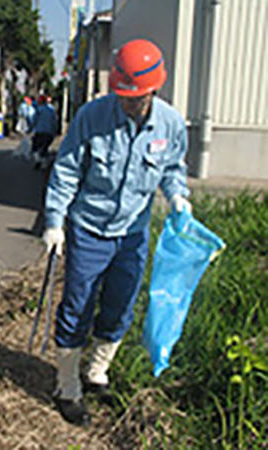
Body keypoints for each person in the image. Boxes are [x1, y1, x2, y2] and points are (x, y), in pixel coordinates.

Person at [43, 39, 191, 427]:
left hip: (133, 233)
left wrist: (177, 197)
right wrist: (55, 221)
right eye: (123, 97)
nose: (128, 104)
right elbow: (67, 171)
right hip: (89, 228)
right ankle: (67, 385)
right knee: (77, 305)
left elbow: (173, 168)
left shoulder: (171, 124)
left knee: (120, 304)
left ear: (154, 89)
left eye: (136, 98)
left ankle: (96, 371)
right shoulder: (92, 117)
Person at [31, 95, 58, 168]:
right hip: (49, 132)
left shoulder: (39, 110)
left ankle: (38, 160)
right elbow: (55, 121)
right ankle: (44, 162)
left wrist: (31, 128)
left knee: (35, 147)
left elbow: (34, 120)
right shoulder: (51, 110)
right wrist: (55, 130)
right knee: (45, 148)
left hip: (40, 131)